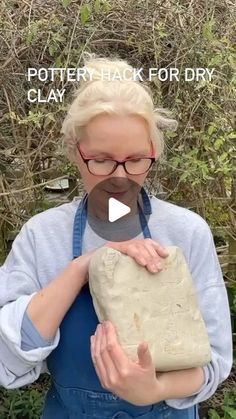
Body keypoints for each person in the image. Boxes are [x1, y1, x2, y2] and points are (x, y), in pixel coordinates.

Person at [0, 55, 232, 419]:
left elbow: (215, 360)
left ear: (153, 153)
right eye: (102, 160)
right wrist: (83, 267)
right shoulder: (42, 237)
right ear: (75, 152)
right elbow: (8, 357)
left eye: (136, 159)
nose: (119, 177)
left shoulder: (187, 232)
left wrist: (156, 389)